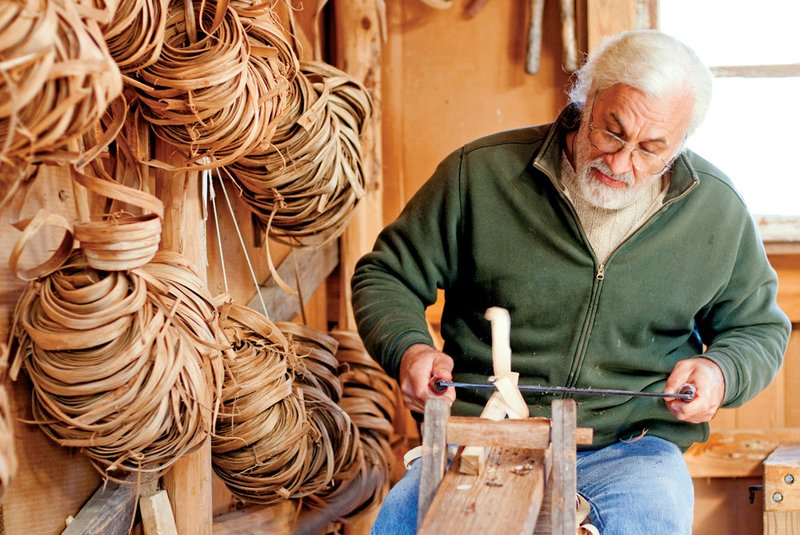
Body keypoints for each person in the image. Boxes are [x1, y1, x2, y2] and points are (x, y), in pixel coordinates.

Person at [351, 29, 790, 534]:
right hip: (485, 434)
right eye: (612, 132)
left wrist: (719, 372)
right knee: (407, 522)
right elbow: (386, 274)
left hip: (632, 447)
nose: (621, 164)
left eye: (651, 149)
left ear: (681, 143)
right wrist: (408, 350)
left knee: (650, 521)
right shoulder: (483, 174)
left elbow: (757, 329)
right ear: (587, 98)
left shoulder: (714, 210)